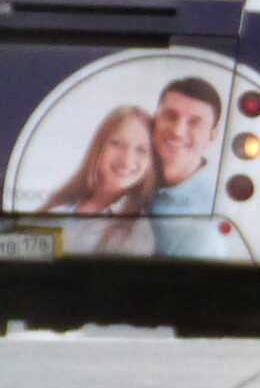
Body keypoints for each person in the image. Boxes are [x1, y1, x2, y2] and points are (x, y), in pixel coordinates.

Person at [42, 103, 157, 255]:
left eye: (141, 150)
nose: (127, 160)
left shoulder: (137, 231)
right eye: (118, 144)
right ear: (99, 146)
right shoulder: (61, 202)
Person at [144, 76, 225, 259]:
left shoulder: (214, 209)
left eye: (194, 122)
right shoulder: (129, 175)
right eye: (169, 116)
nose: (177, 131)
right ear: (155, 119)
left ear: (212, 135)